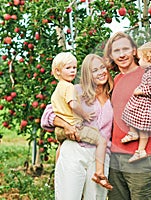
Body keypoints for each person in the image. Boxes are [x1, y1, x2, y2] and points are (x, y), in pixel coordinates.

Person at [41, 54, 114, 199]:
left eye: (102, 68)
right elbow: (47, 116)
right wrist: (66, 125)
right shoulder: (75, 90)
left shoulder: (114, 95)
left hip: (100, 156)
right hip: (75, 149)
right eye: (95, 70)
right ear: (88, 73)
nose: (101, 72)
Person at [103, 32, 151, 200]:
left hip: (140, 158)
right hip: (115, 156)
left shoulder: (148, 75)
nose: (121, 55)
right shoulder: (116, 79)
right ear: (111, 56)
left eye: (125, 49)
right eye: (116, 51)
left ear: (135, 51)